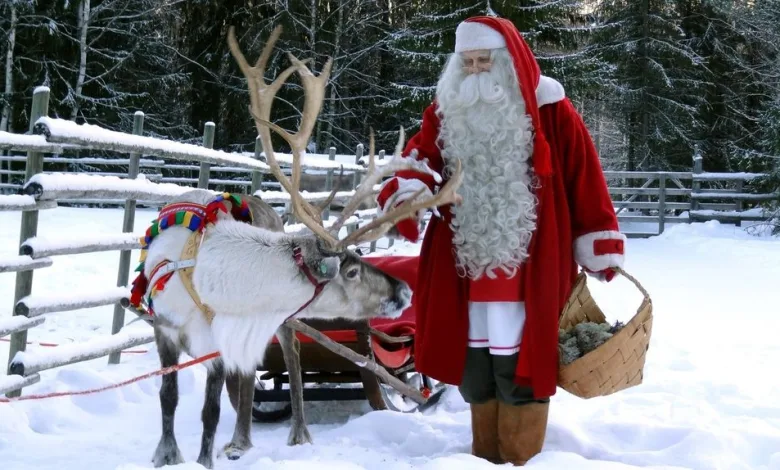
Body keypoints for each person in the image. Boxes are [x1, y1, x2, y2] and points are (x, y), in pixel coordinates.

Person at [374, 16, 626, 466]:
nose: (474, 71)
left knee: (523, 365)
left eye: (483, 60)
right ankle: (483, 456)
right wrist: (409, 189)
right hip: (464, 264)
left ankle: (521, 457)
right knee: (476, 366)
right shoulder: (445, 111)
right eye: (466, 62)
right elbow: (420, 158)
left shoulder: (551, 108)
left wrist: (596, 238)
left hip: (530, 264)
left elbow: (583, 175)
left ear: (509, 62)